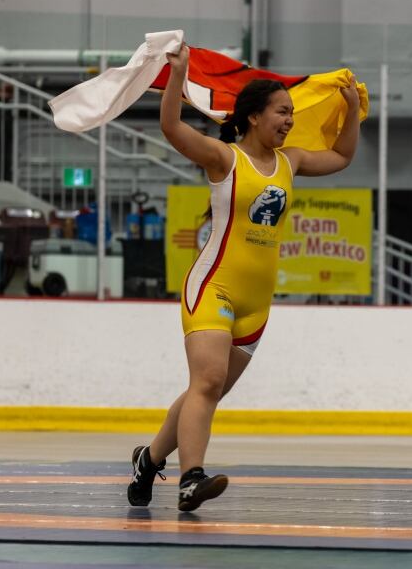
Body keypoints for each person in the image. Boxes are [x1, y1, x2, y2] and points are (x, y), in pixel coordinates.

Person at [127, 43, 360, 511]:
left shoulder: (292, 162)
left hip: (257, 304)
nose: (290, 120)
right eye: (282, 111)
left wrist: (351, 108)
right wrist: (178, 77)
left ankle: (148, 460)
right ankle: (191, 478)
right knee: (208, 382)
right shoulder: (224, 159)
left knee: (204, 390)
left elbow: (341, 156)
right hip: (214, 286)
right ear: (253, 116)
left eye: (292, 113)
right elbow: (171, 127)